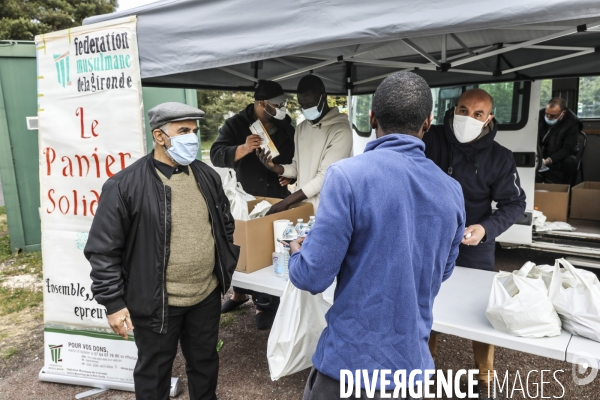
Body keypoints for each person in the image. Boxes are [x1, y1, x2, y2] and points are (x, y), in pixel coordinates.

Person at [288, 71, 466, 399]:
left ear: (371, 119)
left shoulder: (347, 178)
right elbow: (441, 272)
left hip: (347, 369)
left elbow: (312, 276)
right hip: (410, 370)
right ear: (427, 123)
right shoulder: (452, 191)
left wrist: (296, 252)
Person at [85, 102, 240, 400]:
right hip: (156, 302)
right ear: (159, 136)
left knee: (205, 364)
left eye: (194, 131)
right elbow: (103, 250)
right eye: (183, 131)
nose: (192, 138)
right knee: (154, 373)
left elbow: (224, 224)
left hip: (204, 295)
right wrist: (113, 303)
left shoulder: (206, 176)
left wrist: (223, 268)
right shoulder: (124, 186)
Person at [423, 88, 526, 399]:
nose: (468, 118)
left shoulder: (500, 157)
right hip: (430, 239)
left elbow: (515, 204)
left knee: (480, 310)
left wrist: (486, 228)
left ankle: (484, 377)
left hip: (474, 243)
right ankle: (423, 367)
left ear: (488, 119)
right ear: (455, 109)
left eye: (477, 114)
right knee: (427, 304)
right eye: (463, 110)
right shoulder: (431, 138)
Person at [210, 80, 295, 329]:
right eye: (277, 104)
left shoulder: (286, 126)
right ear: (261, 103)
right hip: (246, 196)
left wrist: (290, 174)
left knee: (271, 245)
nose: (282, 108)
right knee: (242, 246)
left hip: (277, 194)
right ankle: (239, 294)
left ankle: (266, 303)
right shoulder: (236, 124)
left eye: (283, 104)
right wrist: (244, 148)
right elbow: (216, 154)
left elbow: (295, 160)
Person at [257, 74, 353, 214]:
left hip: (328, 209)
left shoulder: (341, 130)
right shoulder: (301, 128)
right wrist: (274, 167)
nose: (306, 109)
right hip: (303, 206)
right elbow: (297, 167)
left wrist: (287, 201)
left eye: (309, 105)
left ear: (324, 96)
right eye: (302, 105)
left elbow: (324, 177)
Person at [537, 97, 581, 185]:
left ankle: (567, 191)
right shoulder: (539, 115)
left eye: (553, 116)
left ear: (563, 113)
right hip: (541, 151)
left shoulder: (572, 123)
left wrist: (547, 161)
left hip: (560, 155)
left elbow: (568, 148)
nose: (548, 118)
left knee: (571, 162)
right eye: (547, 114)